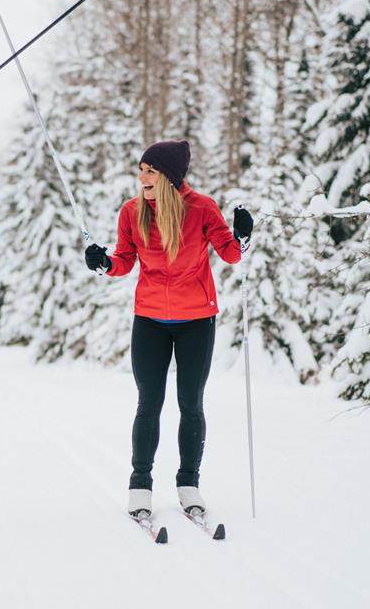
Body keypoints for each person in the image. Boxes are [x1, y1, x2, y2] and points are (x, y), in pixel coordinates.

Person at [84, 139, 253, 519]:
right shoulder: (132, 212)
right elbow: (124, 261)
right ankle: (140, 487)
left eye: (150, 170)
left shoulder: (202, 209)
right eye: (141, 169)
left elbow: (231, 254)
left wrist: (242, 236)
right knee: (149, 403)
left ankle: (188, 484)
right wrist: (103, 263)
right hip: (150, 320)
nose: (141, 176)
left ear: (170, 178)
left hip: (196, 320)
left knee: (190, 404)